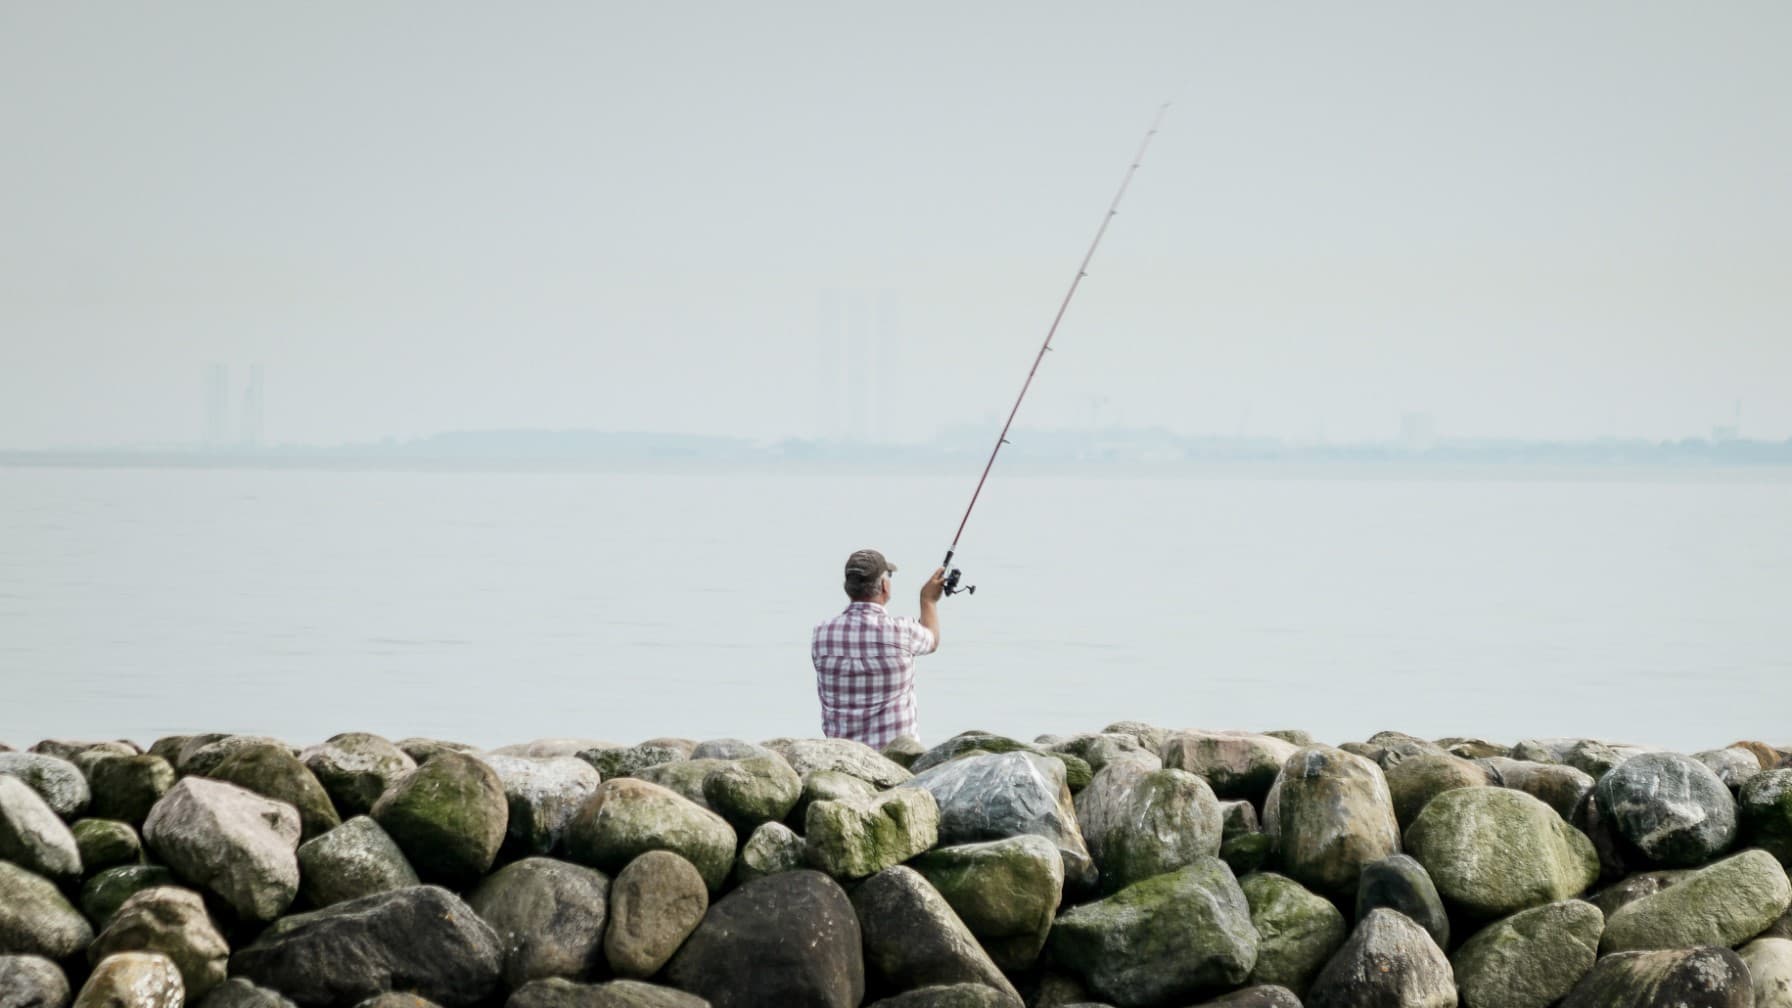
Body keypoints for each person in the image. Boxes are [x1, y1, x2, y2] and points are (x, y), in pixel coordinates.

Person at [811, 548, 944, 748]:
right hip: (897, 759)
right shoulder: (903, 632)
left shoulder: (821, 634)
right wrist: (928, 601)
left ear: (848, 588)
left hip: (843, 758)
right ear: (884, 586)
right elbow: (932, 638)